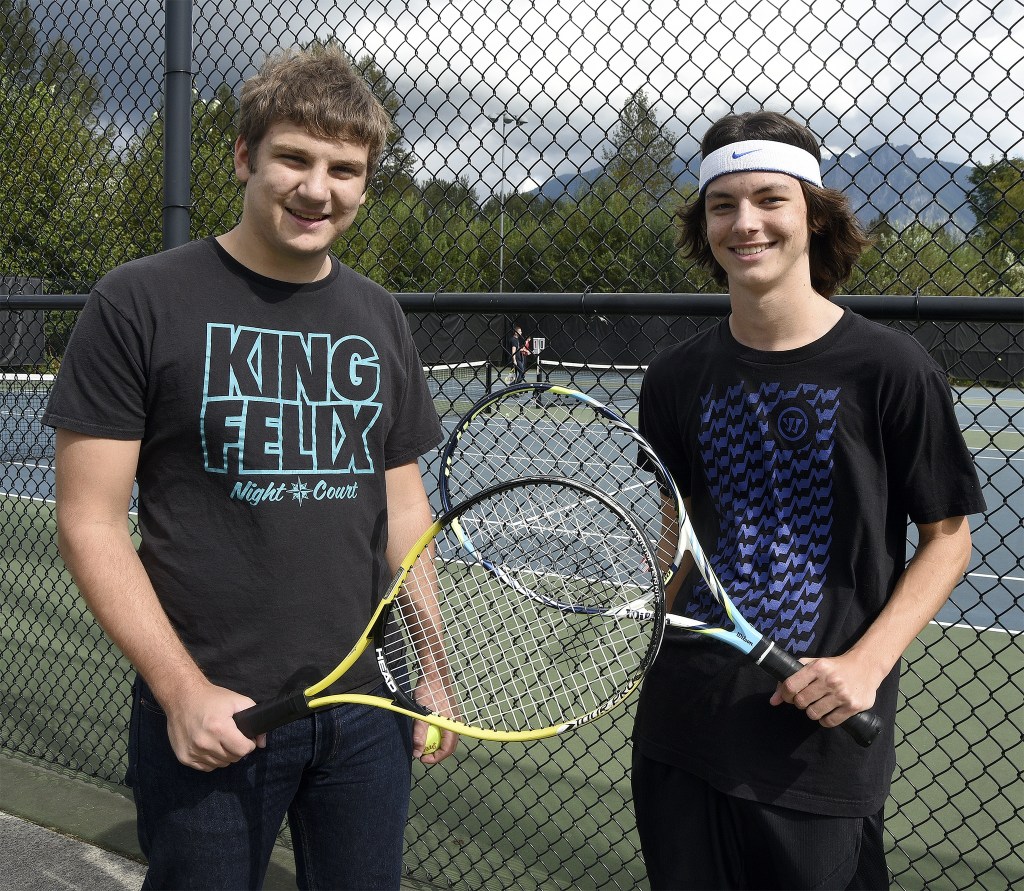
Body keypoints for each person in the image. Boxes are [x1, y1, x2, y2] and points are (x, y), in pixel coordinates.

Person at [44, 44, 456, 890]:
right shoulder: (138, 300)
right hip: (219, 706)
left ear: (366, 182)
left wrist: (434, 667)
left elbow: (404, 510)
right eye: (294, 158)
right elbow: (89, 522)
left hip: (367, 705)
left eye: (345, 169)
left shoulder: (379, 315)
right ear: (243, 157)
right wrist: (182, 691)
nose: (318, 189)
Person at [632, 110, 985, 890]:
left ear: (814, 215)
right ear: (703, 225)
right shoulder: (674, 377)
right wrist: (654, 623)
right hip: (679, 730)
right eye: (723, 204)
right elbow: (675, 530)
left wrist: (865, 664)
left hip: (812, 750)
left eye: (770, 199)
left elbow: (948, 538)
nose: (745, 222)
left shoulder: (892, 368)